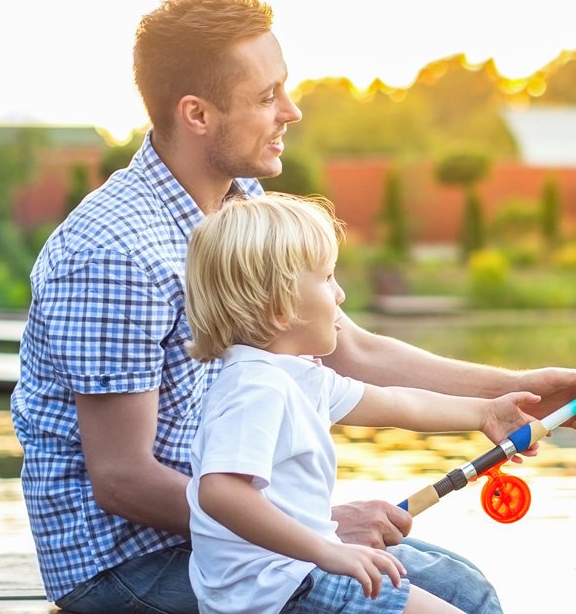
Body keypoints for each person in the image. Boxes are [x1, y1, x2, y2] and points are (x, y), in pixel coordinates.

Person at [9, 0, 576, 614]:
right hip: (128, 563)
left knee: (465, 581)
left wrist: (510, 392)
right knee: (457, 595)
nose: (291, 112)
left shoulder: (239, 203)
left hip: (230, 532)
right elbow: (122, 480)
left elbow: (350, 349)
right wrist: (315, 531)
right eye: (266, 96)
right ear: (196, 114)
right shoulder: (114, 253)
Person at [184, 193, 535, 614]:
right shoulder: (256, 387)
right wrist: (327, 551)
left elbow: (397, 404)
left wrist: (485, 412)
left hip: (301, 573)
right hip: (280, 590)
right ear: (280, 307)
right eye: (327, 278)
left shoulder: (298, 376)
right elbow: (221, 493)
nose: (342, 294)